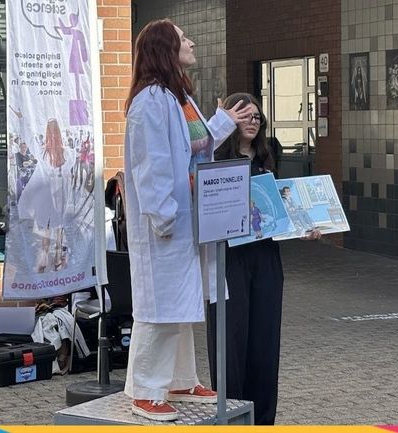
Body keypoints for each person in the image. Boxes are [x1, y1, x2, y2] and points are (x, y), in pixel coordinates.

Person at [122, 19, 252, 422]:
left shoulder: (178, 96)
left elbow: (196, 145)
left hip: (188, 220)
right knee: (158, 311)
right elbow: (153, 165)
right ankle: (146, 390)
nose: (191, 42)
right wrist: (163, 219)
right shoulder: (151, 101)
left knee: (183, 304)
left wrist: (224, 121)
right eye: (183, 39)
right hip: (168, 223)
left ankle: (179, 379)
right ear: (165, 48)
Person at [207, 93, 320, 425]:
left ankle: (262, 419)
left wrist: (305, 228)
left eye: (257, 117)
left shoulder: (267, 162)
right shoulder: (214, 161)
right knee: (231, 340)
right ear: (230, 120)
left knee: (264, 340)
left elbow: (282, 212)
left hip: (266, 258)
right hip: (229, 259)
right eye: (245, 116)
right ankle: (231, 416)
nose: (253, 122)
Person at [17, 118, 76, 273]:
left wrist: (22, 118)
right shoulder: (68, 153)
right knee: (59, 226)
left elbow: (29, 138)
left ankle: (44, 256)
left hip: (46, 192)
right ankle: (57, 257)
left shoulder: (43, 153)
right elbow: (70, 166)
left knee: (47, 226)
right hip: (61, 192)